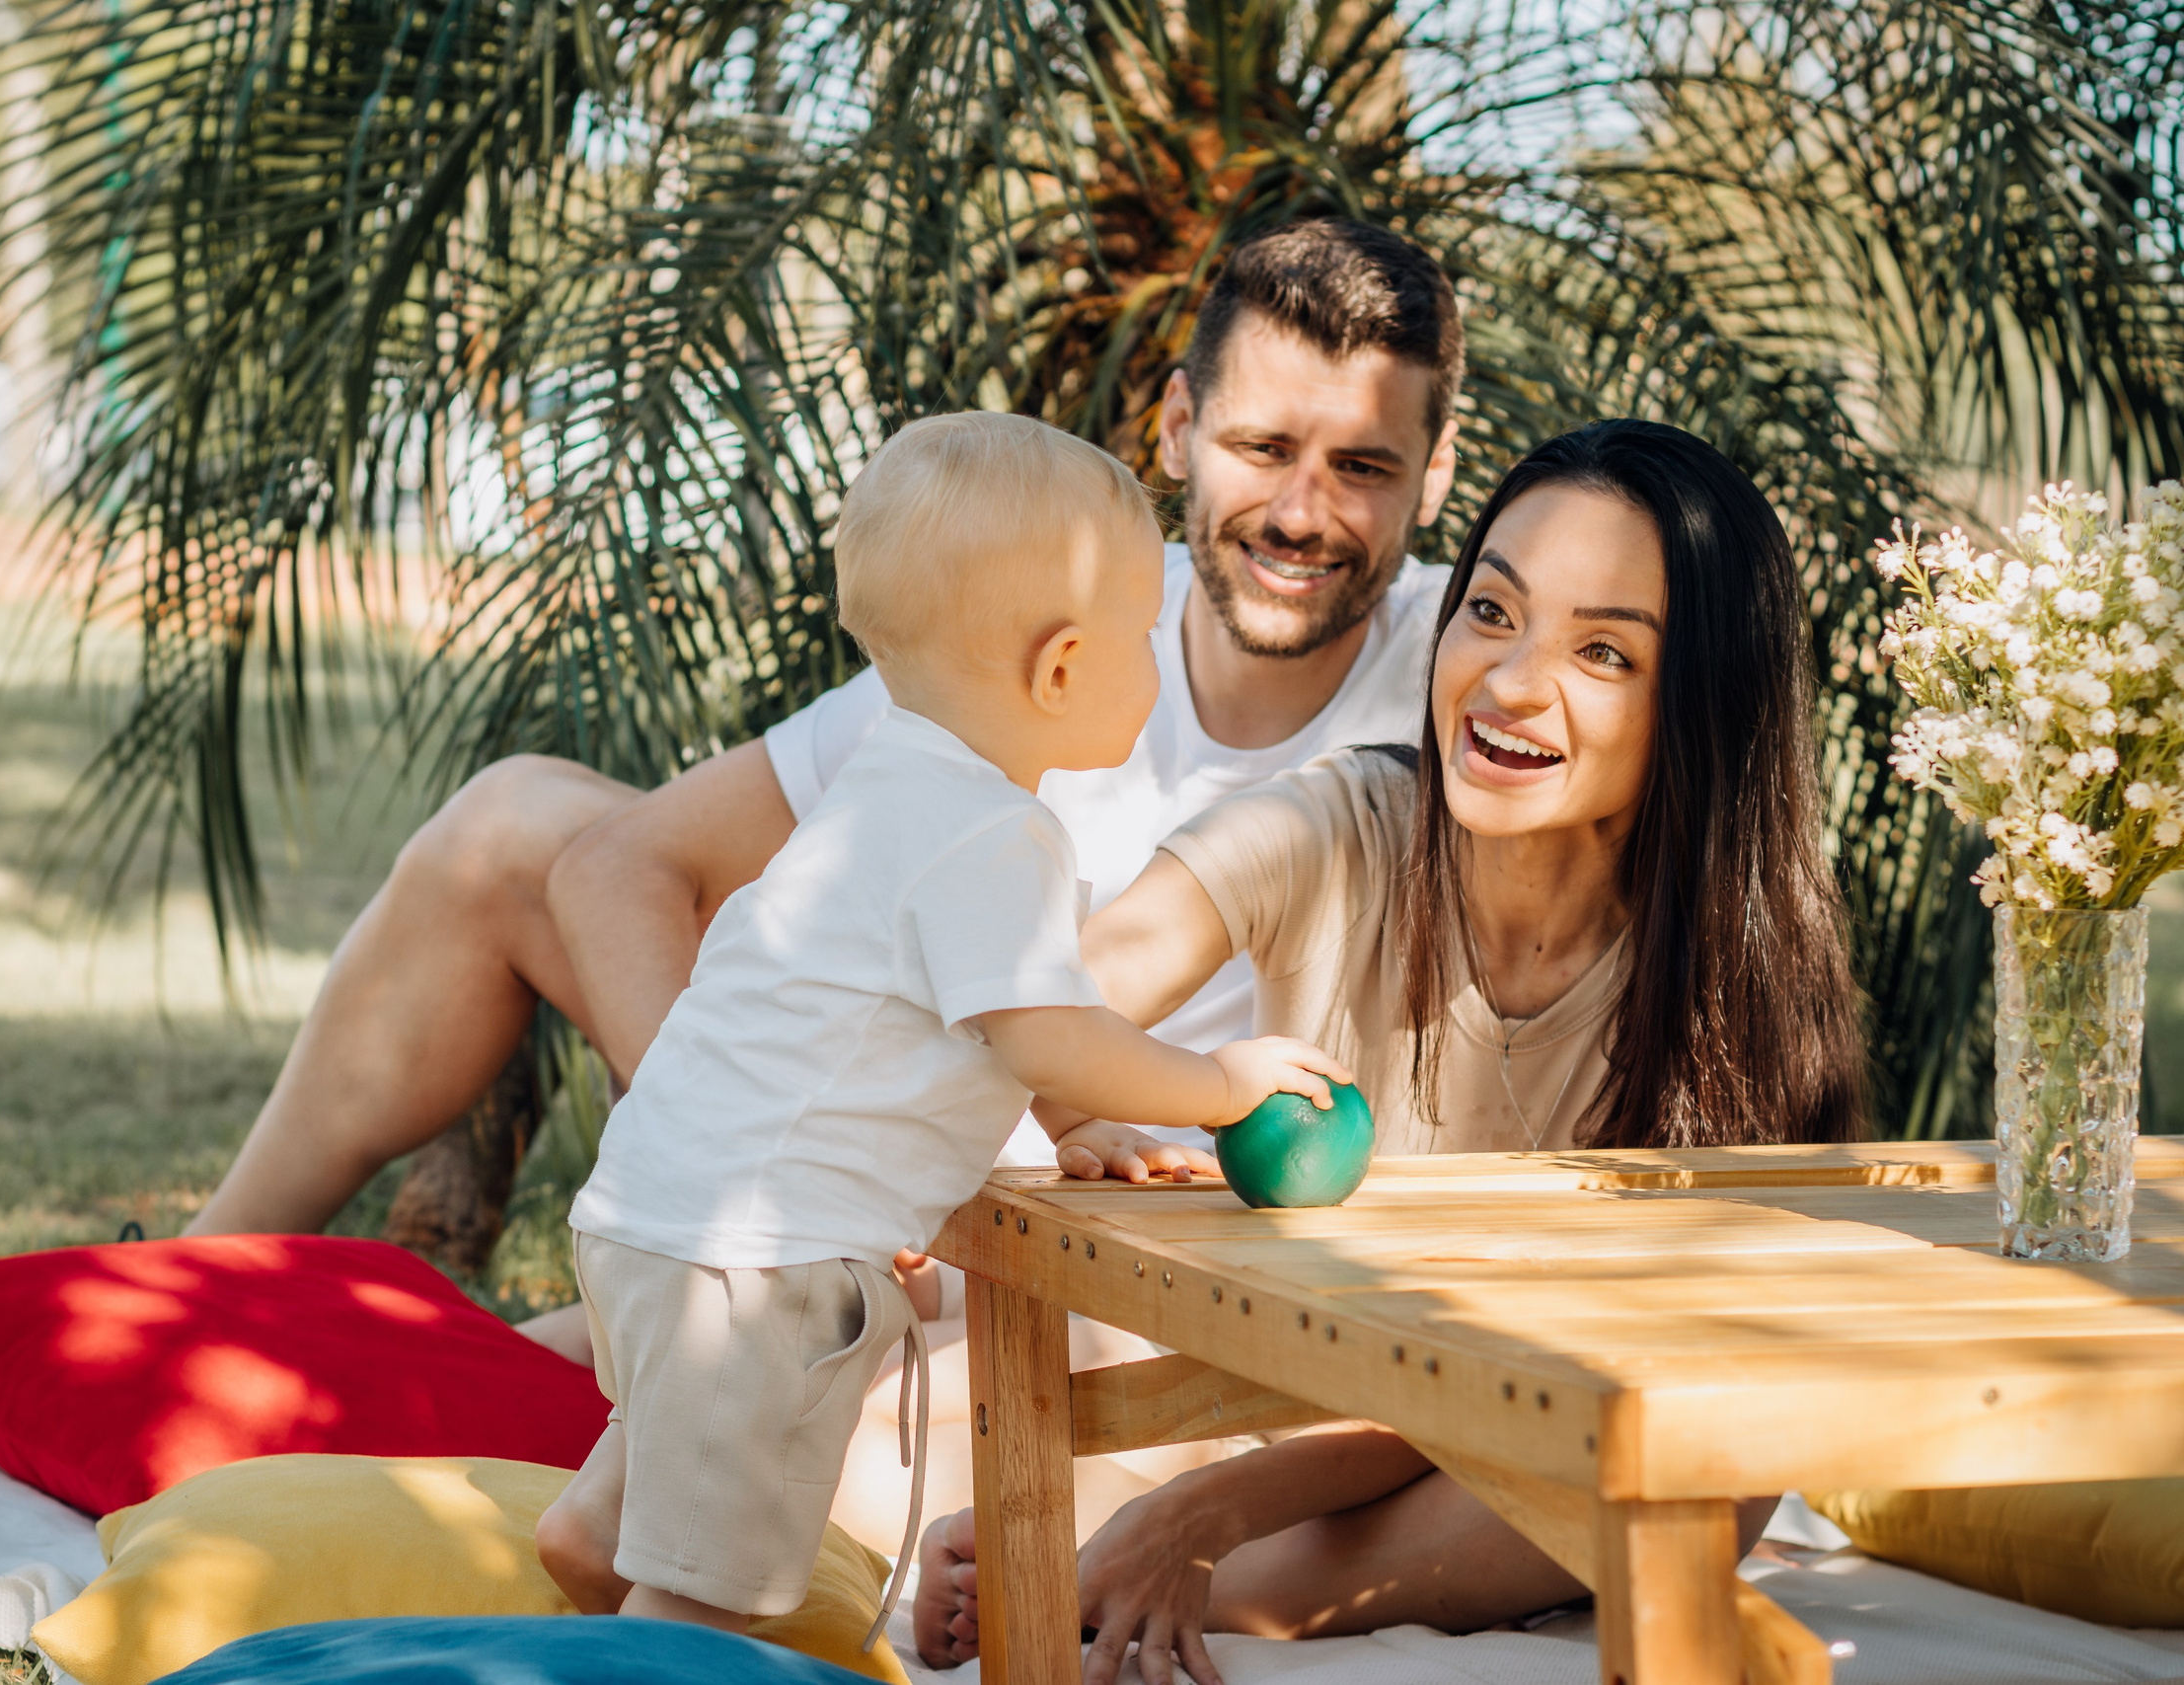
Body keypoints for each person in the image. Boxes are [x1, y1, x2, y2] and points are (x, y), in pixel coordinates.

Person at [183, 215, 1465, 1251]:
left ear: (1438, 469)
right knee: (513, 820)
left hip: (1131, 1217)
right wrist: (749, 1156)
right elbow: (617, 862)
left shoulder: (1474, 680)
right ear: (1180, 430)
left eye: (1363, 467)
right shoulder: (1069, 612)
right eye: (1265, 445)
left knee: (623, 1394)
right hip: (934, 1162)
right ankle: (190, 1269)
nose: (1305, 509)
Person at [912, 419, 1868, 1685]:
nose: (1512, 683)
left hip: (1498, 1436)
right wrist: (1066, 1112)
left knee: (1712, 1465)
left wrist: (1208, 1520)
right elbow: (1042, 999)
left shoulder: (1726, 981)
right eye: (1490, 610)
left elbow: (1579, 1369)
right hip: (1255, 1390)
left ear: (1698, 701)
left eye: (1601, 652)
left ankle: (1110, 1564)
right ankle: (1119, 1554)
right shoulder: (1335, 822)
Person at [531, 413, 1350, 1635]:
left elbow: (904, 1046)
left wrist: (1048, 1147)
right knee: (709, 1611)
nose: (1154, 663)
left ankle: (595, 1543)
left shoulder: (884, 790)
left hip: (653, 1228)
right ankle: (653, 1640)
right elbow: (1049, 1037)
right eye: (1138, 639)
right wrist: (1221, 1084)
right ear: (1061, 670)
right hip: (766, 1279)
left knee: (649, 1508)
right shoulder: (995, 835)